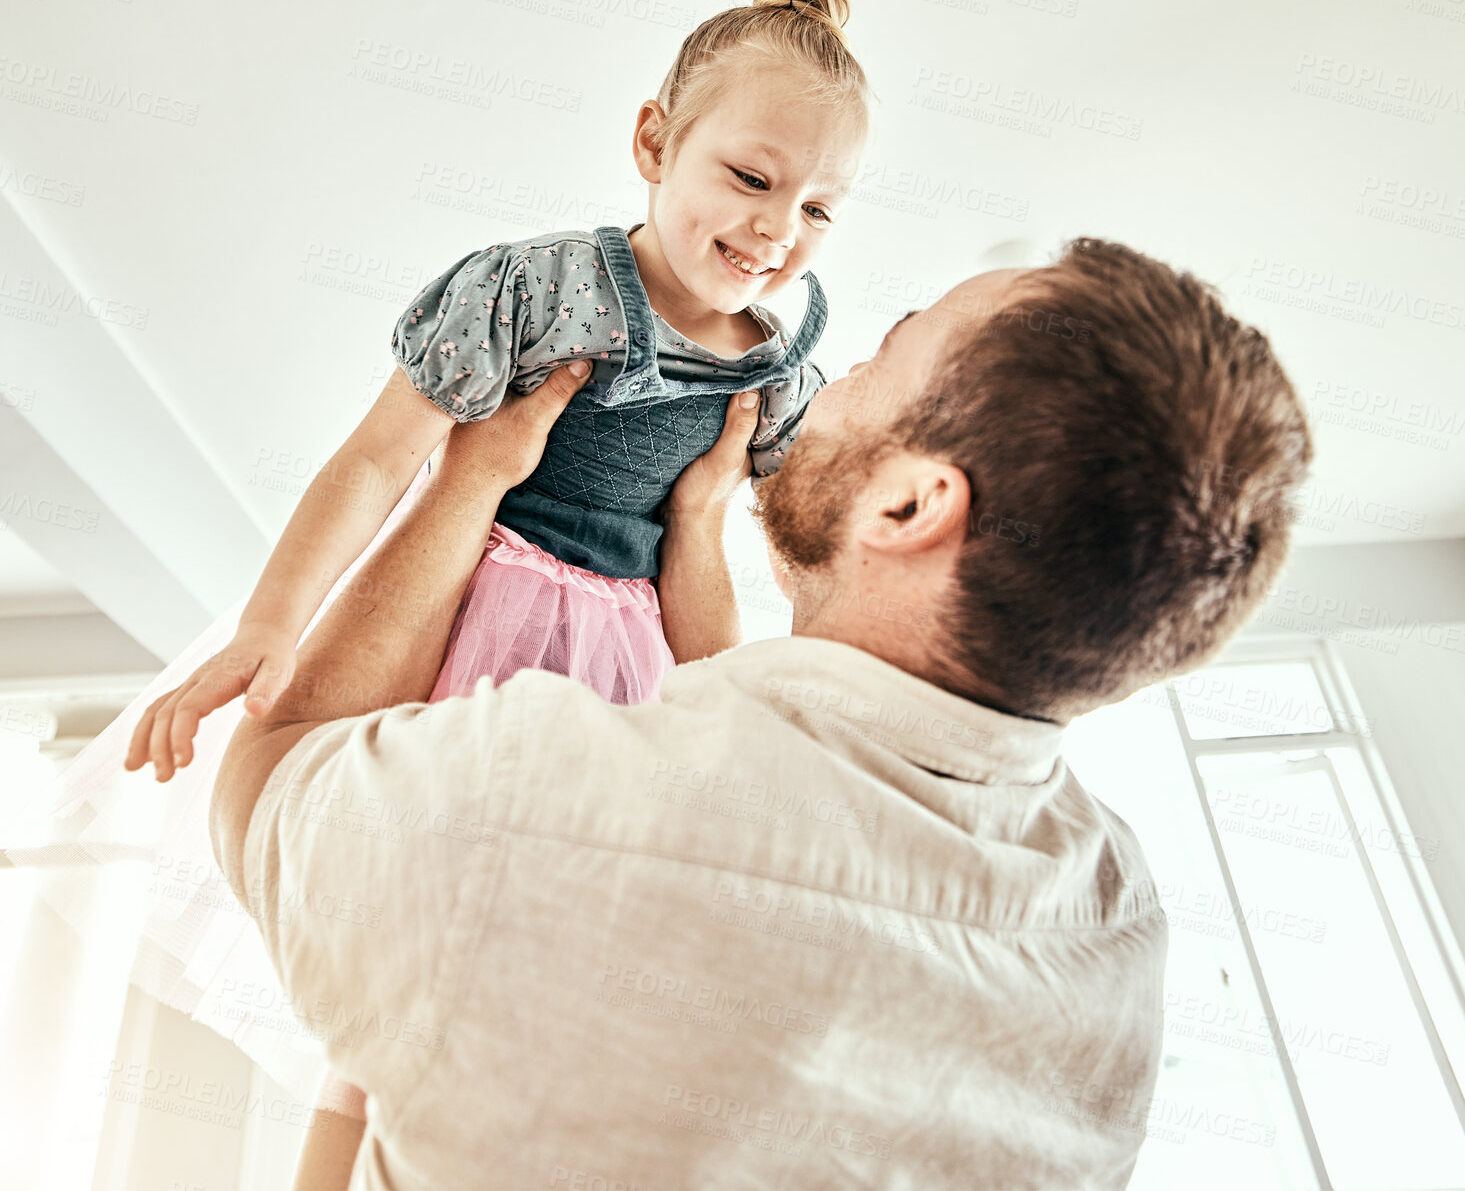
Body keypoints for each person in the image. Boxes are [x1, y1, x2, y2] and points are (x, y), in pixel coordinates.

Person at [12, 0, 871, 1167]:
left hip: (622, 665)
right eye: (748, 178)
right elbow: (378, 458)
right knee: (390, 980)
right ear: (652, 143)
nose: (776, 228)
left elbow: (764, 596)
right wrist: (270, 624)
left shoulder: (783, 374)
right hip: (467, 606)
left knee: (537, 1000)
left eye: (817, 207)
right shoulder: (535, 289)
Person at [213, 237, 1315, 1189]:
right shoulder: (1118, 937)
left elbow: (271, 771)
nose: (824, 385)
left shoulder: (540, 795)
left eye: (880, 358)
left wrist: (466, 481)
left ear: (909, 504)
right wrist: (692, 531)